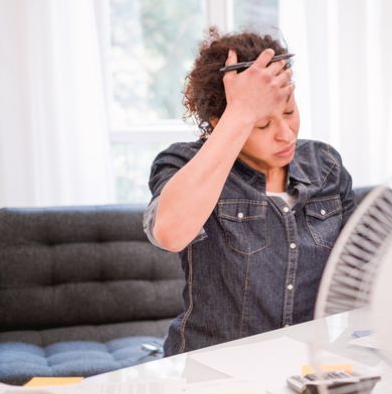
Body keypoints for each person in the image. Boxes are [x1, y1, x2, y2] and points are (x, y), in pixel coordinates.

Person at [143, 28, 356, 356]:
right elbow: (170, 233)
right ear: (220, 122)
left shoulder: (325, 165)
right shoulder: (185, 163)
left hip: (306, 370)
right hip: (212, 372)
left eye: (288, 112)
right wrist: (241, 112)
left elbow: (358, 267)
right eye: (262, 124)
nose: (286, 134)